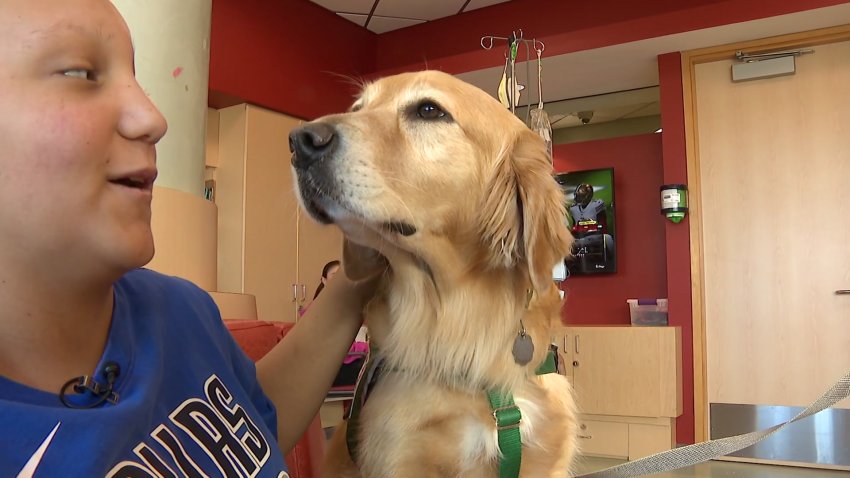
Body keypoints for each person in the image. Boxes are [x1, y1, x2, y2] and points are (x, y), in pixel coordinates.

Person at [0, 1, 380, 476]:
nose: (153, 118)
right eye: (81, 72)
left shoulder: (178, 308)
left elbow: (250, 431)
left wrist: (357, 278)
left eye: (134, 76)